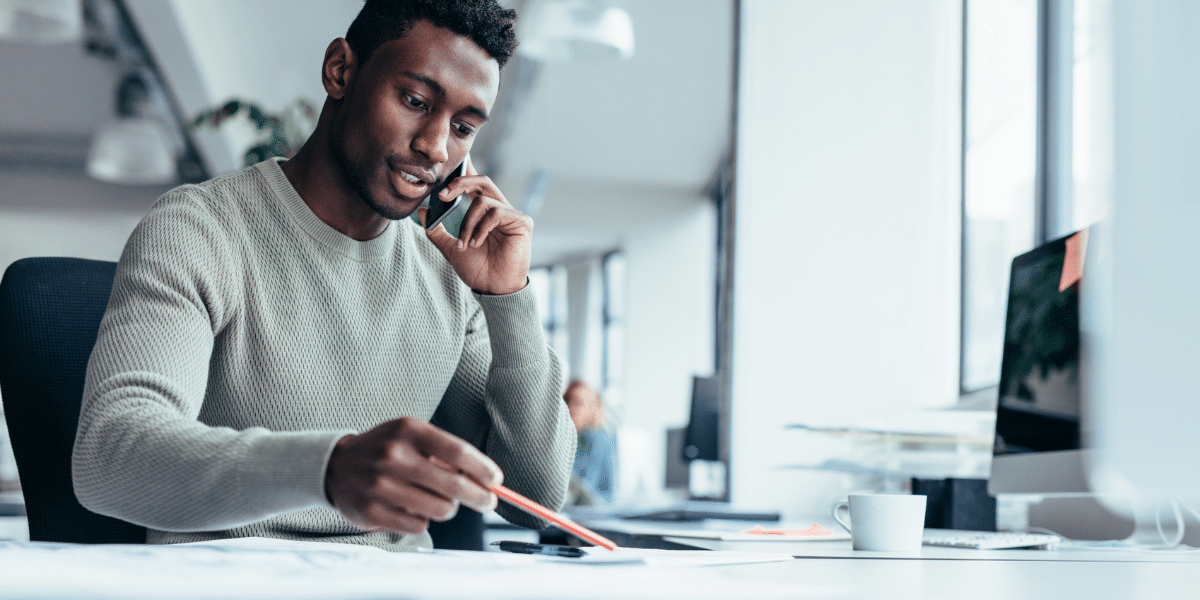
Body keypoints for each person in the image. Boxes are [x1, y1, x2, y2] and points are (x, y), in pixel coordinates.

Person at [71, 0, 575, 552]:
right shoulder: (202, 228)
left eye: (461, 127)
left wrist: (506, 298)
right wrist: (325, 469)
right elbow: (109, 456)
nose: (434, 146)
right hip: (231, 585)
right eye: (414, 100)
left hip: (395, 590)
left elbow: (536, 498)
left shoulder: (445, 265)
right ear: (341, 70)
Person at [562, 380, 615, 504]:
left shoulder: (598, 438)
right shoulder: (569, 438)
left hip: (593, 510)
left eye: (578, 403)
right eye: (567, 401)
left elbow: (585, 491)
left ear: (592, 409)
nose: (571, 408)